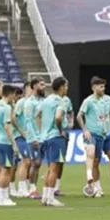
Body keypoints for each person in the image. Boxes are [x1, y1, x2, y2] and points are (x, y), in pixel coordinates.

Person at [77, 76, 110, 197]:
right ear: (94, 87)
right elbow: (79, 116)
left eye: (104, 86)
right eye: (101, 86)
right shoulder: (88, 101)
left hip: (107, 134)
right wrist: (85, 130)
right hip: (94, 134)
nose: (103, 88)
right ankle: (98, 189)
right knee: (96, 162)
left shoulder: (108, 99)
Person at [39, 77, 70, 207]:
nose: (67, 88)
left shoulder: (46, 100)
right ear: (62, 87)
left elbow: (38, 115)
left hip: (45, 137)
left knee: (50, 168)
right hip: (55, 137)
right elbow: (58, 117)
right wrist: (61, 130)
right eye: (66, 86)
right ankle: (51, 197)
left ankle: (45, 197)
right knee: (54, 168)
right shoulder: (61, 101)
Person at [0, 84, 19, 206]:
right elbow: (7, 126)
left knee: (1, 168)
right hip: (5, 142)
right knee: (7, 170)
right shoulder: (6, 108)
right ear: (11, 94)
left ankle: (0, 196)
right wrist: (14, 144)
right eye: (14, 95)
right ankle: (3, 198)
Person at [23, 79, 45, 200]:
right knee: (35, 163)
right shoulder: (29, 102)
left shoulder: (44, 101)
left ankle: (36, 187)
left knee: (40, 163)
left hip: (44, 136)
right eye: (41, 85)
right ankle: (32, 189)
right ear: (34, 87)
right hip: (35, 138)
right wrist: (32, 138)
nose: (44, 86)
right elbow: (28, 121)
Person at [13, 82, 31, 197]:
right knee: (26, 161)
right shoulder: (21, 102)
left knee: (30, 162)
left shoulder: (33, 103)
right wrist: (20, 131)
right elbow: (13, 117)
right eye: (29, 88)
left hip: (30, 136)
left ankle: (26, 187)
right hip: (20, 136)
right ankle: (21, 188)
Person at [56, 92, 74, 196]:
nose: (67, 88)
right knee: (54, 162)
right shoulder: (52, 100)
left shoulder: (67, 100)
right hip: (55, 133)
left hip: (65, 133)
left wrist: (71, 122)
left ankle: (56, 188)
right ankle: (49, 189)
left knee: (61, 161)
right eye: (65, 86)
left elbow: (71, 111)